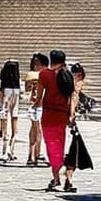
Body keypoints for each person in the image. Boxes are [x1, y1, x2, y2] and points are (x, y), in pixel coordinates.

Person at [34, 49, 73, 191]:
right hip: (62, 114)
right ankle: (65, 176)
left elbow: (39, 96)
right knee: (60, 145)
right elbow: (71, 97)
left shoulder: (44, 74)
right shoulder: (68, 74)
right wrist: (71, 114)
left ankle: (56, 177)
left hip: (49, 114)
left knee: (51, 146)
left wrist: (35, 103)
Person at [63, 63, 89, 193]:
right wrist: (71, 115)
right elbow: (73, 99)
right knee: (74, 151)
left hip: (71, 121)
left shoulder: (69, 85)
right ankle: (67, 178)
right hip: (73, 121)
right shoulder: (75, 86)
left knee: (73, 150)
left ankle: (67, 178)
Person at [26, 53, 48, 166]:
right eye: (34, 63)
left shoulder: (45, 75)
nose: (35, 66)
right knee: (36, 129)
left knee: (36, 129)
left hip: (40, 104)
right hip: (36, 104)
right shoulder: (34, 75)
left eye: (37, 63)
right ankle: (34, 153)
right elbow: (28, 89)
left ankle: (34, 153)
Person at [0, 60, 22, 162]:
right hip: (14, 110)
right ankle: (12, 150)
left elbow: (0, 98)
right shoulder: (18, 86)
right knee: (14, 130)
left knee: (5, 130)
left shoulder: (3, 86)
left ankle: (5, 151)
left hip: (4, 110)